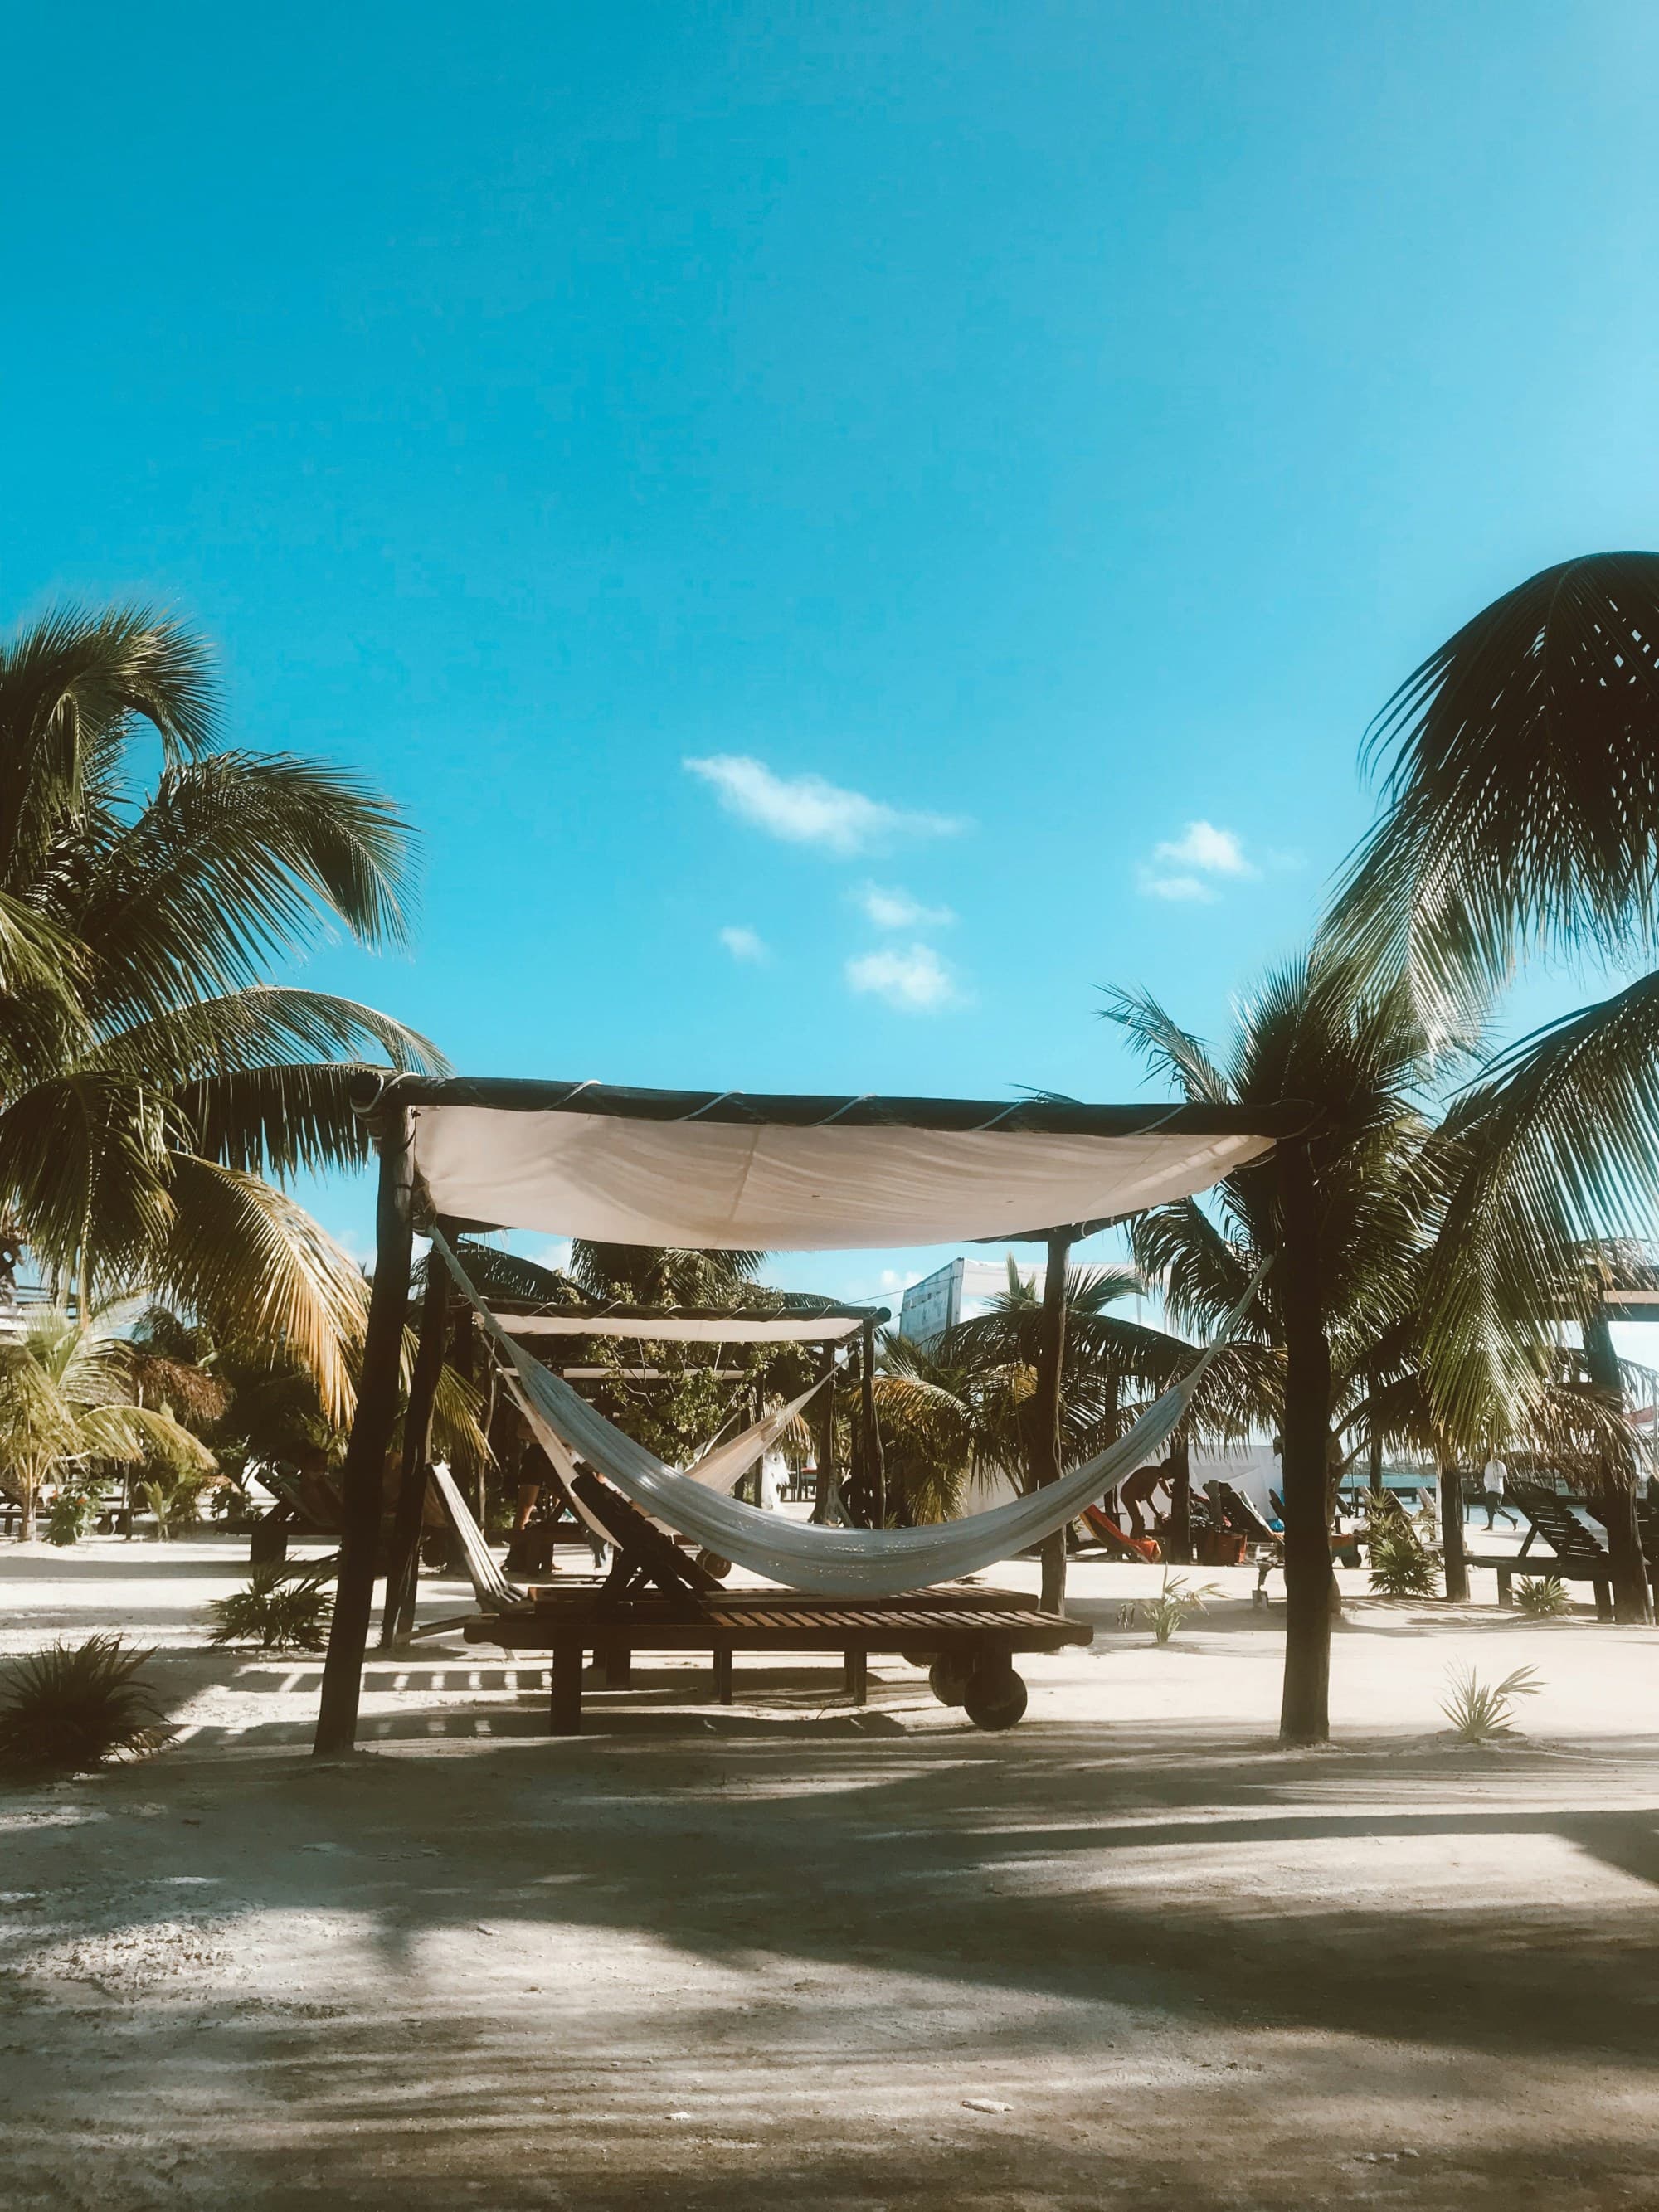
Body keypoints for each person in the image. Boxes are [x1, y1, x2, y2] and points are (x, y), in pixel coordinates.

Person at [1481, 1454, 1517, 1530]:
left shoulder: (1500, 1464)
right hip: (1490, 1489)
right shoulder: (1488, 1464)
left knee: (1496, 1508)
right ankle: (1490, 1526)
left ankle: (1513, 1520)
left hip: (1497, 1489)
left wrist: (1505, 1489)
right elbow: (1486, 1476)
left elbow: (1505, 1477)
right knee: (1490, 1508)